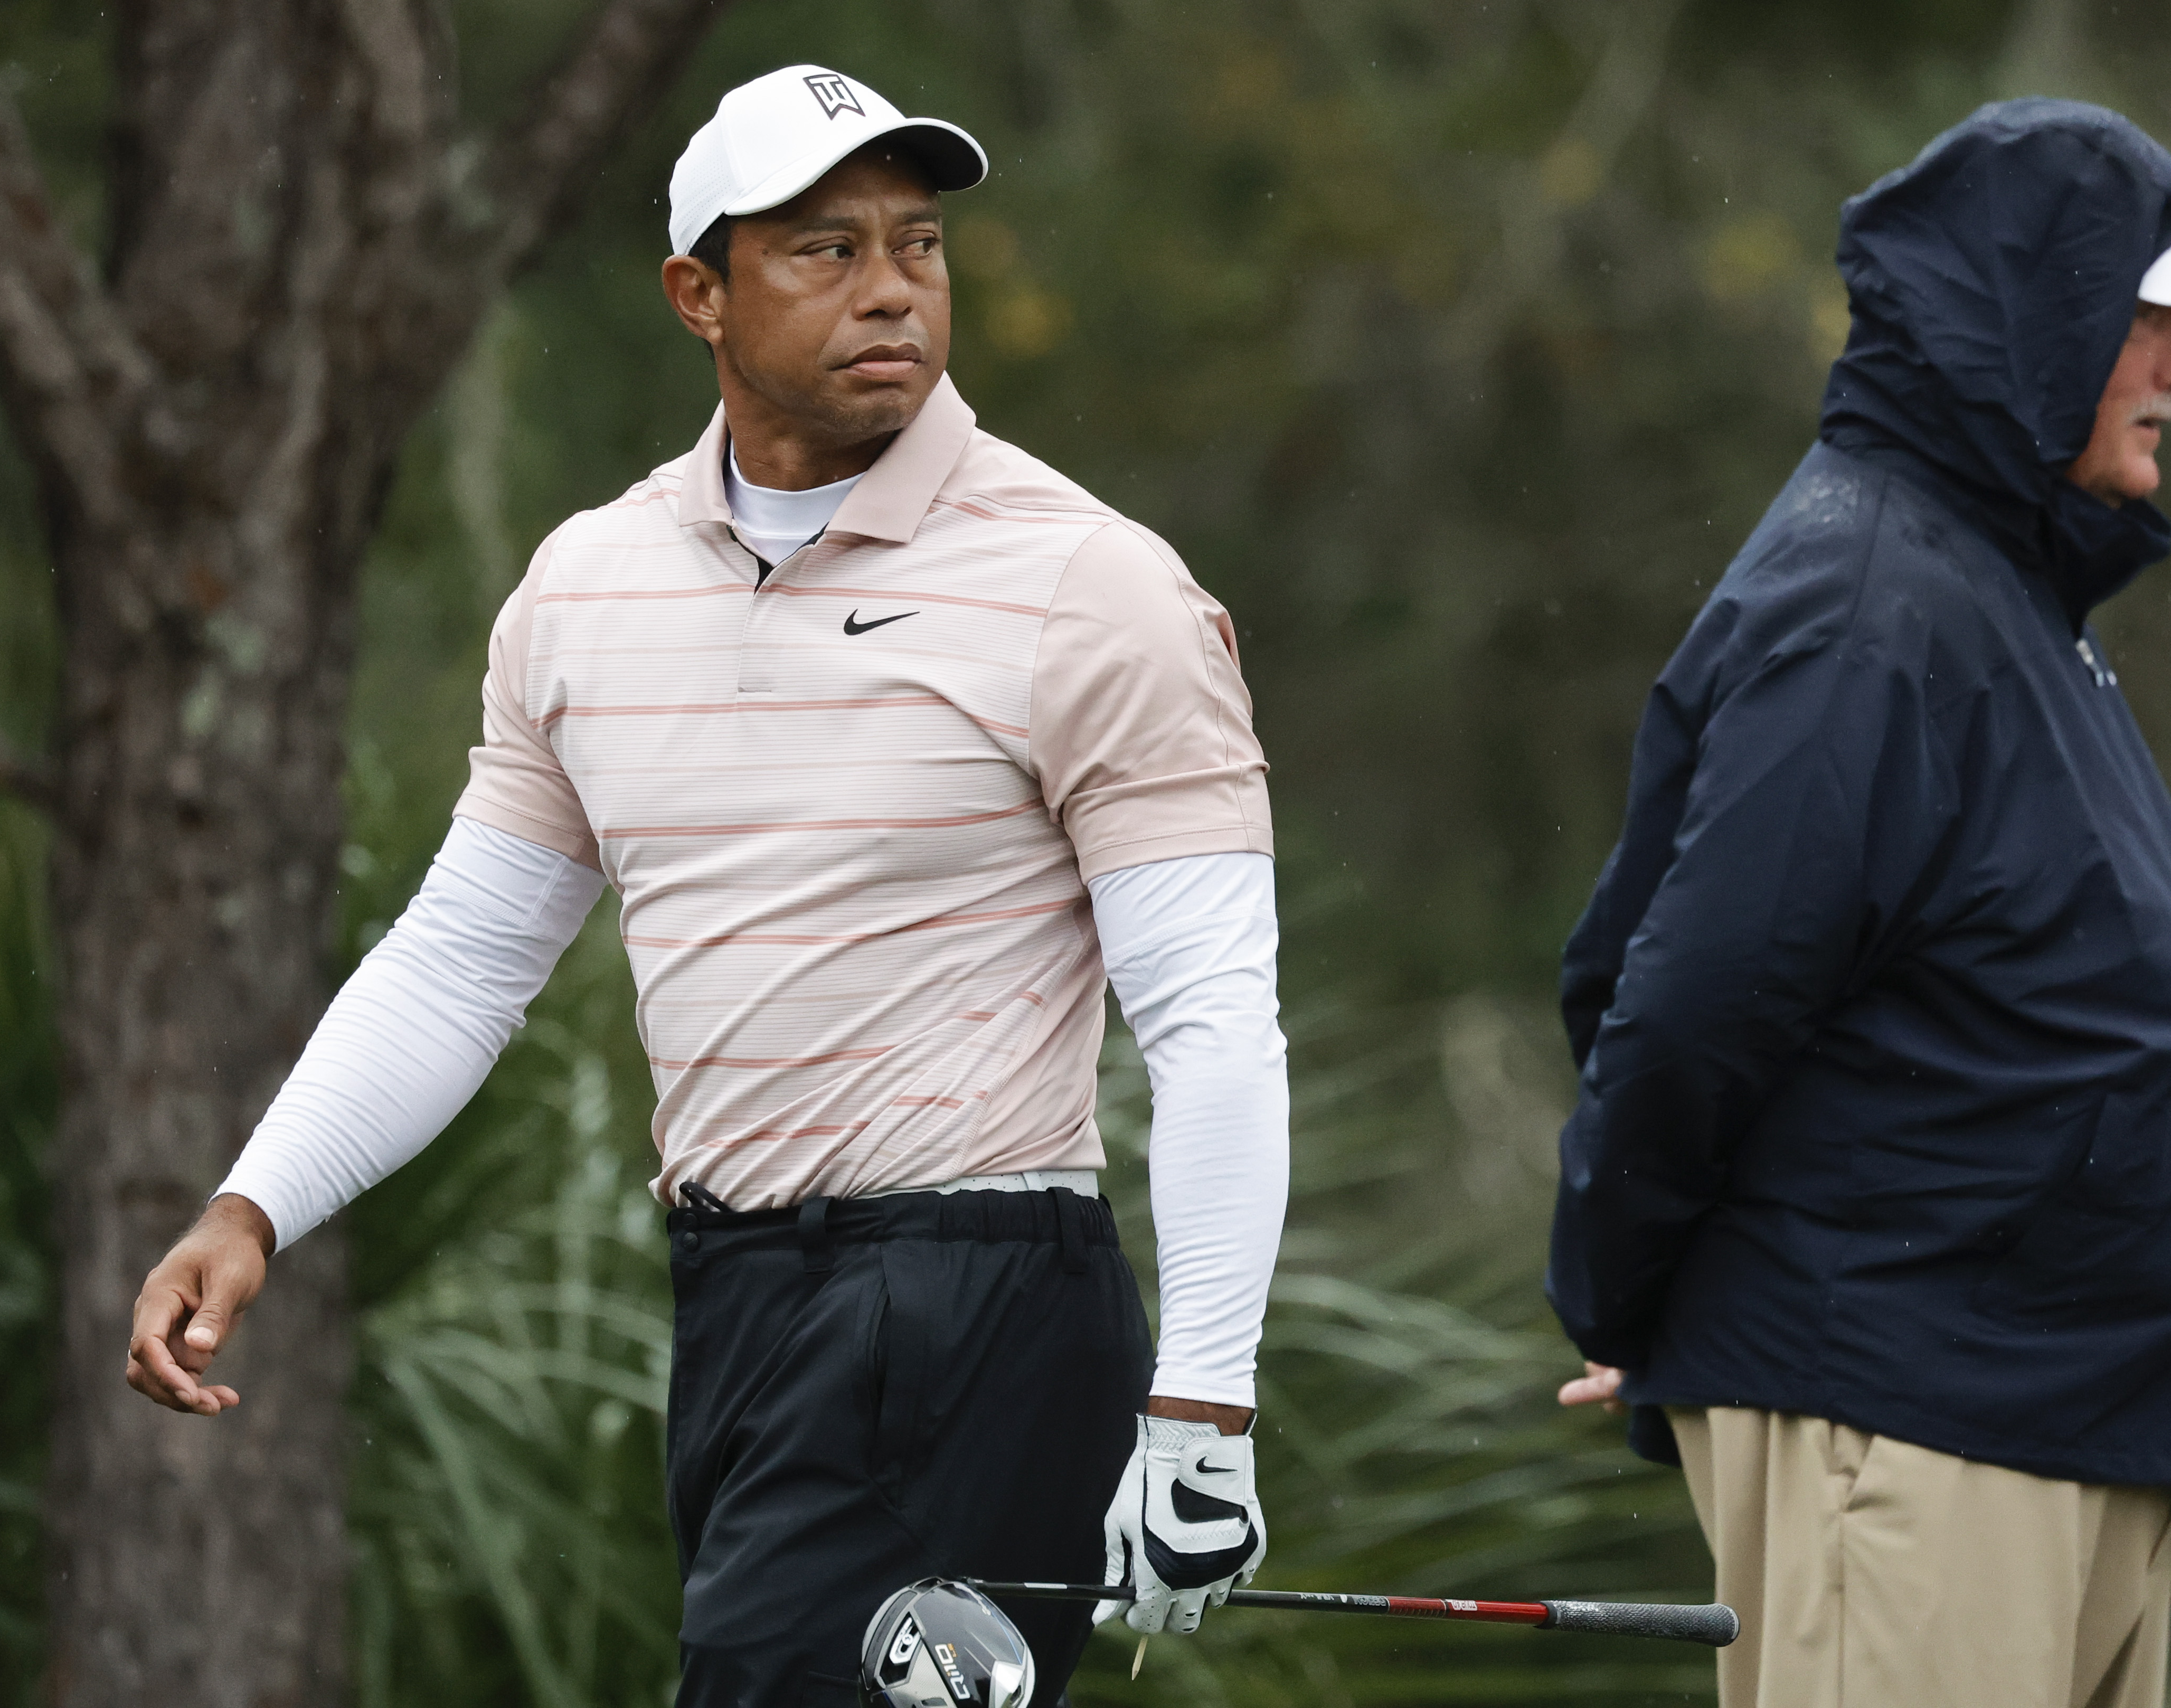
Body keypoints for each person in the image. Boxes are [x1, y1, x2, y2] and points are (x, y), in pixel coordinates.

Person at [120, 64, 1290, 1704]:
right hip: (737, 1301)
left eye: (917, 244)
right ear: (698, 293)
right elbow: (463, 958)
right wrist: (255, 1204)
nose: (890, 287)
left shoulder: (1091, 588)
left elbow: (1213, 1018)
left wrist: (1205, 1406)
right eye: (822, 248)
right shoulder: (585, 590)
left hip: (975, 1307)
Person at [1549, 99, 2171, 1708]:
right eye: (2147, 322)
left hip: (2082, 1403)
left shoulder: (2014, 602)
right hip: (1906, 1414)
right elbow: (1681, 1005)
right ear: (2033, 317)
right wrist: (1634, 1292)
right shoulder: (1870, 609)